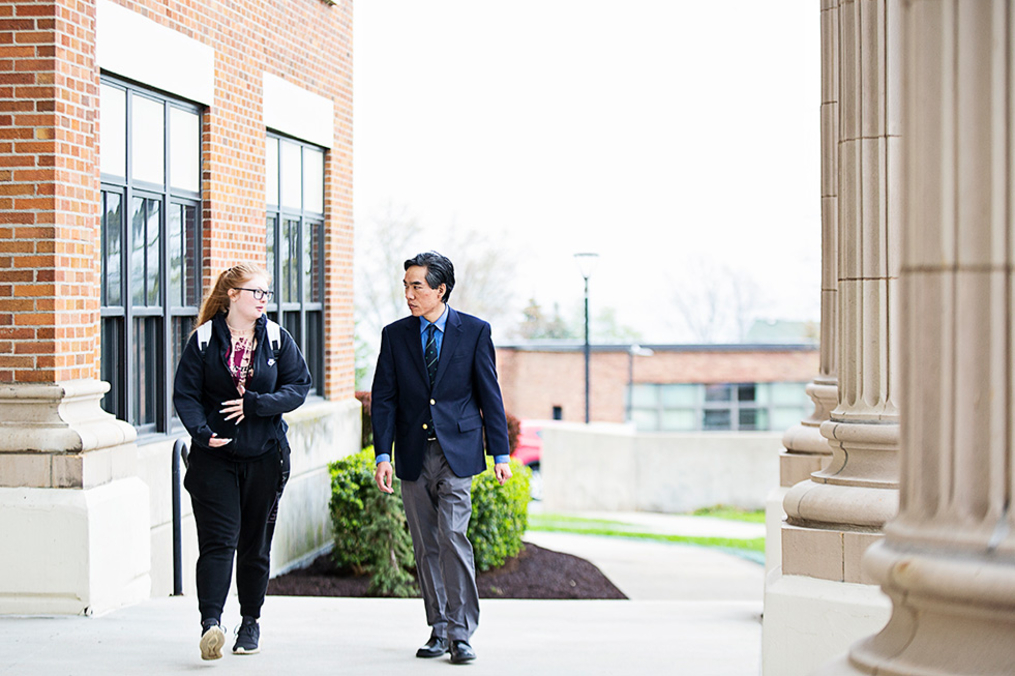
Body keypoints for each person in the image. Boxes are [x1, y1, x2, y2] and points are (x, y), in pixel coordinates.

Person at [371, 251, 512, 665]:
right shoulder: (395, 335)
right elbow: (384, 399)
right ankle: (439, 628)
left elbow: (490, 393)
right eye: (406, 286)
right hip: (414, 453)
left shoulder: (475, 332)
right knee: (425, 544)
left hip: (459, 451)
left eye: (417, 286)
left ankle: (462, 633)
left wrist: (499, 452)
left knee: (452, 536)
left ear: (440, 289)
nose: (409, 295)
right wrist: (383, 454)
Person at [173, 263, 312, 661]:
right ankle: (210, 625)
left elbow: (299, 386)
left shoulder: (275, 338)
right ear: (233, 294)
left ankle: (250, 622)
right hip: (214, 459)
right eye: (257, 293)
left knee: (255, 545)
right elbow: (185, 395)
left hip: (265, 457)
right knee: (218, 542)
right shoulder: (203, 341)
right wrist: (201, 432)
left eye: (267, 294)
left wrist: (255, 405)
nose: (263, 300)